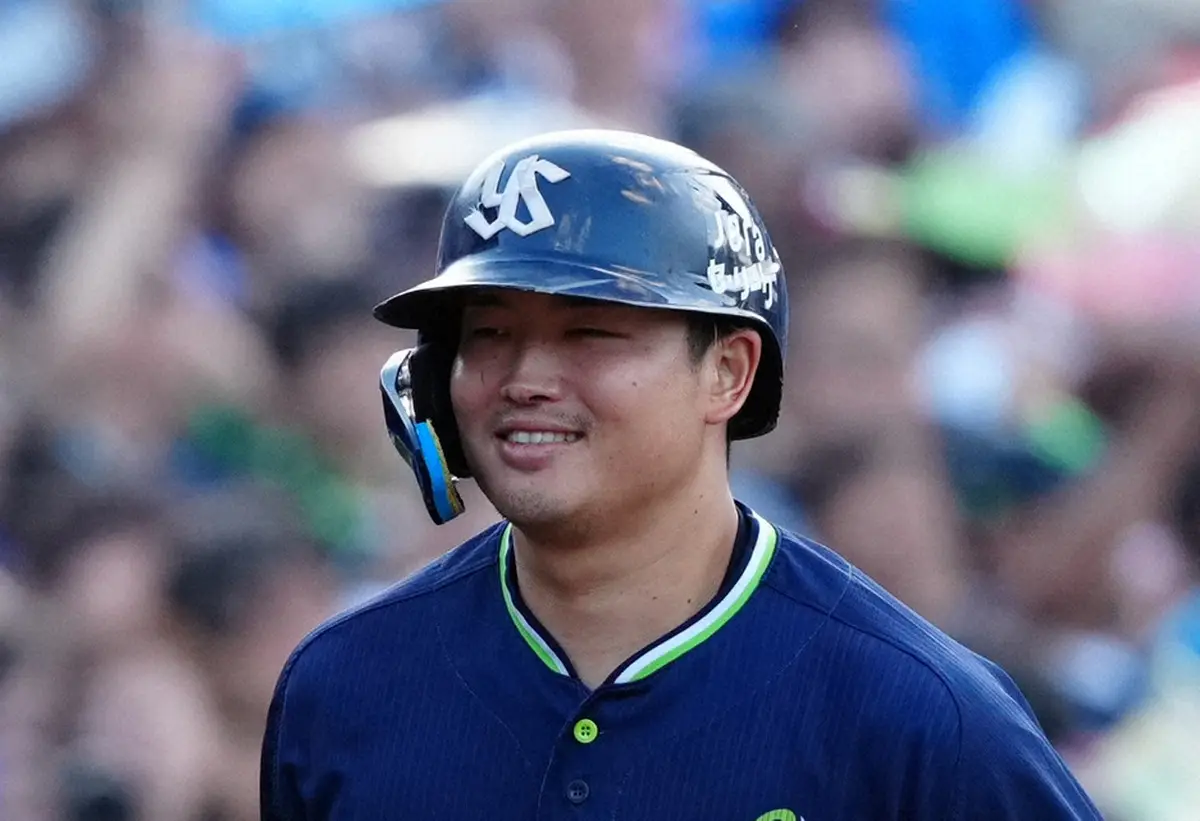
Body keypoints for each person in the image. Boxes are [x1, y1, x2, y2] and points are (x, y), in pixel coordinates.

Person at [259, 129, 1102, 820]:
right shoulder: (345, 685)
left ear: (728, 372)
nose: (524, 377)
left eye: (589, 331)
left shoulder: (919, 713)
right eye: (488, 334)